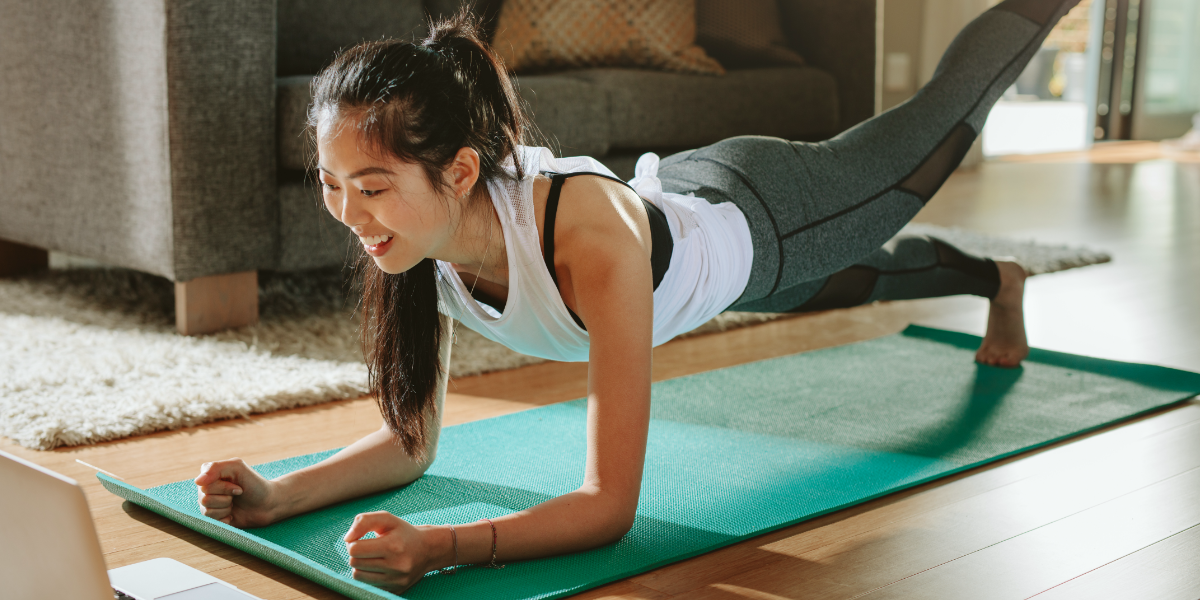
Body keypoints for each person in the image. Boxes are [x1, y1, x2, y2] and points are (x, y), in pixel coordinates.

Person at [194, 0, 1080, 592]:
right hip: (707, 246)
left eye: (373, 185)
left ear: (458, 171)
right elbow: (410, 445)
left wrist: (444, 550)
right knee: (873, 279)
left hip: (768, 214)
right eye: (330, 183)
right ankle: (999, 278)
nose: (349, 214)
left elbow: (609, 505)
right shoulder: (413, 242)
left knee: (930, 135)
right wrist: (279, 494)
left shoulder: (587, 237)